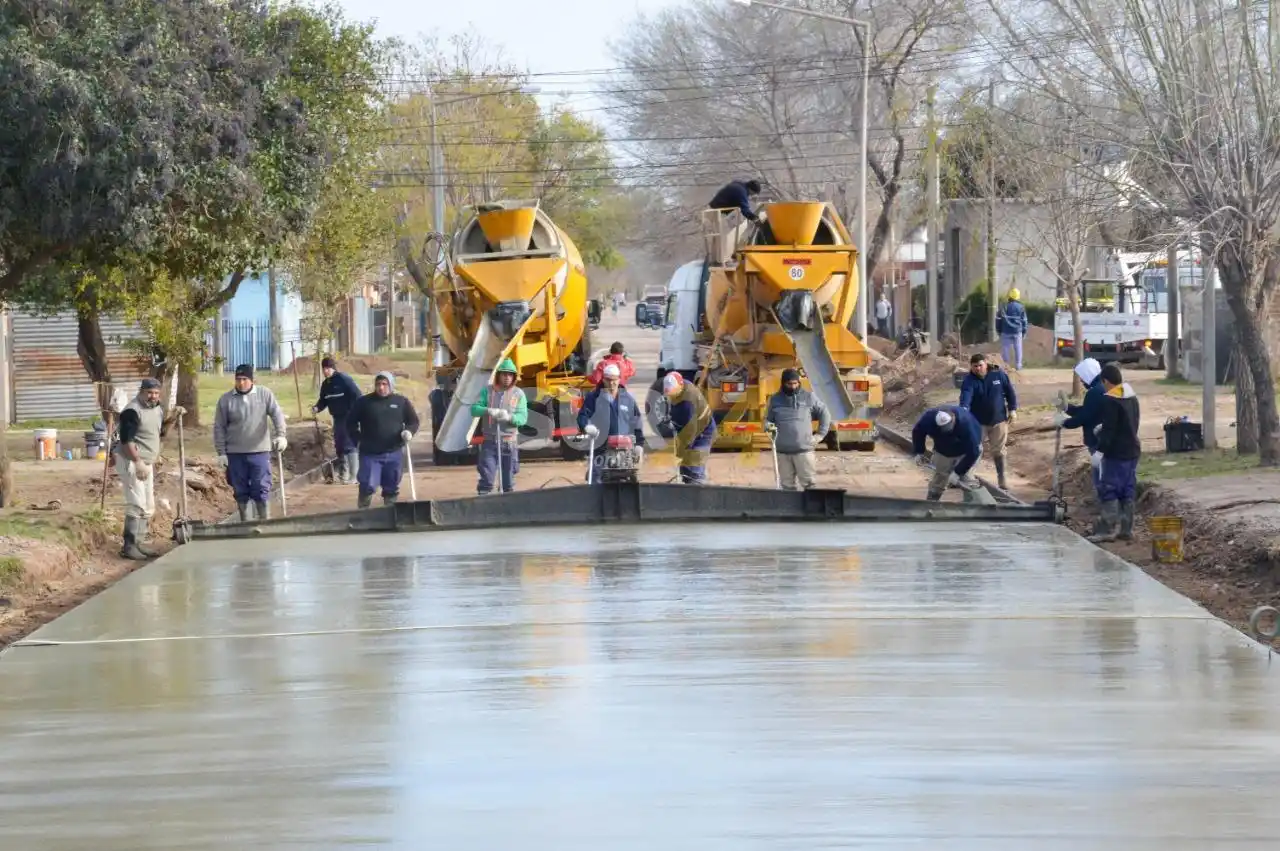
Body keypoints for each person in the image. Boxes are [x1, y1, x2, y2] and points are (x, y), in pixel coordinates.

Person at [214, 364, 287, 522]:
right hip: (235, 453)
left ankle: (264, 521)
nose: (241, 383)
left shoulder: (264, 394)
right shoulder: (226, 400)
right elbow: (219, 427)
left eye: (244, 379)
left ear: (252, 380)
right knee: (240, 490)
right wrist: (221, 453)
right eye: (238, 379)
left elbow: (277, 414)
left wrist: (281, 435)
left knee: (261, 487)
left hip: (259, 450)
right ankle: (245, 523)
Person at [346, 371, 420, 508]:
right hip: (370, 453)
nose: (381, 387)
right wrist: (357, 440)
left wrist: (409, 432)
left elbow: (413, 421)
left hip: (393, 452)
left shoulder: (401, 402)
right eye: (378, 384)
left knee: (391, 485)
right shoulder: (364, 402)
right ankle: (363, 511)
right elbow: (350, 423)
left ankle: (389, 511)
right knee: (367, 484)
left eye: (384, 384)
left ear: (391, 385)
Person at [115, 378, 165, 560]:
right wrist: (137, 462)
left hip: (147, 462)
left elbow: (158, 433)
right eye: (149, 393)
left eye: (156, 393)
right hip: (132, 461)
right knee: (136, 503)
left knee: (148, 505)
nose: (153, 396)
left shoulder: (158, 409)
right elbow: (127, 441)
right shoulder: (132, 411)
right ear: (141, 391)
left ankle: (140, 543)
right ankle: (129, 546)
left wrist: (174, 418)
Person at [1090, 364, 1141, 542]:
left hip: (1116, 453)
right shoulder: (1132, 397)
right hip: (1132, 450)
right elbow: (1132, 422)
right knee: (1127, 490)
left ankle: (1106, 529)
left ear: (1106, 381)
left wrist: (1100, 451)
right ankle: (1126, 529)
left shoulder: (1110, 400)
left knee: (1110, 488)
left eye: (1103, 383)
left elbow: (1111, 429)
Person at [958, 352, 1018, 490]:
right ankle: (965, 475)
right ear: (971, 367)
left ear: (986, 363)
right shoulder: (969, 380)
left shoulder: (999, 375)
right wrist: (964, 411)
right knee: (974, 449)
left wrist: (1013, 410)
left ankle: (1002, 479)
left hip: (999, 420)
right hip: (977, 422)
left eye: (980, 365)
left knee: (999, 451)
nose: (978, 369)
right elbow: (966, 396)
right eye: (975, 366)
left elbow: (1010, 392)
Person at [764, 368, 831, 490]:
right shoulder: (775, 400)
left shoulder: (808, 397)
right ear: (783, 383)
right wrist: (768, 427)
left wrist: (820, 435)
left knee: (809, 485)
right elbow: (768, 420)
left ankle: (812, 508)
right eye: (789, 384)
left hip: (804, 451)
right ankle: (789, 509)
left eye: (795, 383)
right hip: (783, 452)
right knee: (787, 486)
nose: (793, 387)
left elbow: (824, 412)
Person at [577, 363, 646, 482]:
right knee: (598, 480)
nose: (612, 383)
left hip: (624, 452)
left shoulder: (627, 399)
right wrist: (586, 426)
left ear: (619, 380)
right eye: (608, 380)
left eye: (614, 380)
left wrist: (639, 444)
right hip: (601, 450)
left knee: (624, 482)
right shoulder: (594, 398)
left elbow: (636, 422)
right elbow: (583, 415)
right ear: (603, 379)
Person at [469, 358, 528, 495]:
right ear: (498, 375)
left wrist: (510, 417)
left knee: (508, 483)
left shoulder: (518, 394)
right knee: (487, 478)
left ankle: (508, 509)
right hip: (490, 442)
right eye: (504, 374)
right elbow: (474, 409)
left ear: (514, 376)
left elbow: (523, 418)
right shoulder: (487, 392)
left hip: (509, 443)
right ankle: (483, 504)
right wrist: (488, 410)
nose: (507, 377)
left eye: (510, 375)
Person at [911, 406, 989, 503]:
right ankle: (931, 503)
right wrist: (919, 451)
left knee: (967, 479)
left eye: (948, 427)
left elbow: (973, 452)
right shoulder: (929, 419)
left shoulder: (966, 424)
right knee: (939, 478)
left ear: (953, 420)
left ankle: (975, 505)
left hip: (966, 452)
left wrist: (958, 472)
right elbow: (918, 431)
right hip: (943, 451)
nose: (946, 430)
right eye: (943, 428)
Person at [312, 356, 362, 484]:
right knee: (339, 445)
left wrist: (355, 412)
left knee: (349, 444)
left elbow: (357, 395)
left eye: (328, 368)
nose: (325, 371)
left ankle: (354, 475)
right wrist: (317, 408)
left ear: (333, 368)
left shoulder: (344, 380)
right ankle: (343, 474)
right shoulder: (326, 385)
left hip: (349, 416)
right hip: (337, 417)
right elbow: (323, 400)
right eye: (324, 369)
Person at [662, 372, 716, 484]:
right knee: (685, 471)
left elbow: (690, 431)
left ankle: (700, 493)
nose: (670, 396)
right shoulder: (679, 387)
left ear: (680, 386)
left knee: (694, 472)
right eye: (668, 393)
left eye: (672, 392)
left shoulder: (688, 402)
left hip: (703, 434)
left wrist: (682, 452)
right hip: (689, 431)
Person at [997, 288, 1028, 369]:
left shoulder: (1004, 307)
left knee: (1005, 349)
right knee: (1018, 348)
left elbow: (998, 320)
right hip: (1017, 331)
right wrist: (1024, 331)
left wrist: (999, 331)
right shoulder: (1021, 307)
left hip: (1006, 331)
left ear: (1009, 296)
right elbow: (1024, 321)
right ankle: (1018, 365)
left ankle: (1006, 366)